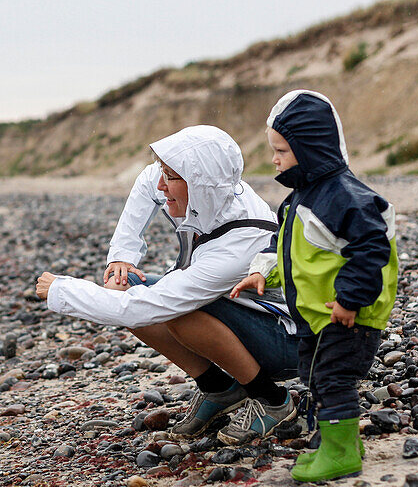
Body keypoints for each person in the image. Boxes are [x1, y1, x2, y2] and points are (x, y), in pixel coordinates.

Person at [35, 125, 300, 445]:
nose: (162, 185)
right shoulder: (204, 196)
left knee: (176, 308)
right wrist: (121, 255)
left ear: (201, 185)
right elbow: (148, 179)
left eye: (172, 177)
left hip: (286, 341)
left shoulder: (241, 242)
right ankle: (219, 389)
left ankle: (271, 400)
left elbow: (142, 309)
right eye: (166, 173)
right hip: (244, 314)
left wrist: (62, 290)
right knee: (124, 281)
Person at [231, 90, 398, 482]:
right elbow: (287, 249)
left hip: (345, 314)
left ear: (309, 147)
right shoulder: (299, 200)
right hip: (315, 314)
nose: (274, 160)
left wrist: (351, 299)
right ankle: (338, 443)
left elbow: (372, 247)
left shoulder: (343, 196)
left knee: (332, 378)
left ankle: (340, 452)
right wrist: (263, 273)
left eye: (282, 151)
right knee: (316, 377)